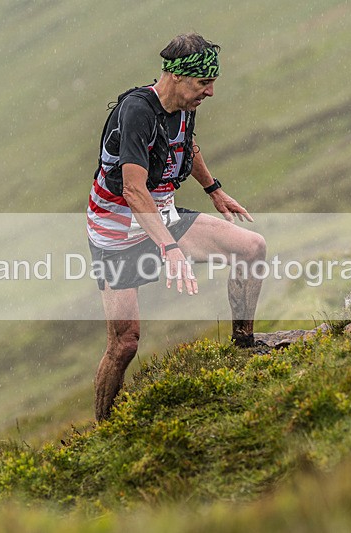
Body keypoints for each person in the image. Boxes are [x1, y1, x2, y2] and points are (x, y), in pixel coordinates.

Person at [86, 33, 266, 421]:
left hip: (161, 213)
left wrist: (213, 189)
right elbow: (133, 190)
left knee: (251, 248)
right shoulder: (137, 112)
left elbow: (187, 144)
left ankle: (243, 346)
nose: (211, 92)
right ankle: (105, 426)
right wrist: (170, 249)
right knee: (125, 344)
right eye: (204, 83)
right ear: (177, 77)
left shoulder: (185, 104)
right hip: (116, 231)